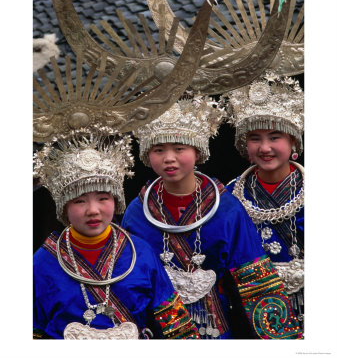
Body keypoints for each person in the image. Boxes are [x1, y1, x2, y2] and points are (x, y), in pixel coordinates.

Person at [122, 95, 303, 339]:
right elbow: (130, 280)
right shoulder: (137, 211)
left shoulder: (227, 208)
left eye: (179, 148)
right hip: (158, 329)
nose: (169, 158)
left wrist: (282, 340)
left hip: (217, 328)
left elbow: (255, 280)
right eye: (158, 149)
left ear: (198, 151)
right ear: (146, 155)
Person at [33, 131, 200, 339]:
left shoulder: (140, 252)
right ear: (63, 208)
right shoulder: (42, 262)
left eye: (103, 198)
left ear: (117, 200)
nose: (93, 210)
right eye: (79, 201)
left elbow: (175, 325)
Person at [223, 73, 304, 329]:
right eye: (255, 138)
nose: (265, 147)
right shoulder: (229, 196)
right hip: (253, 313)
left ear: (293, 141)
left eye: (274, 137)